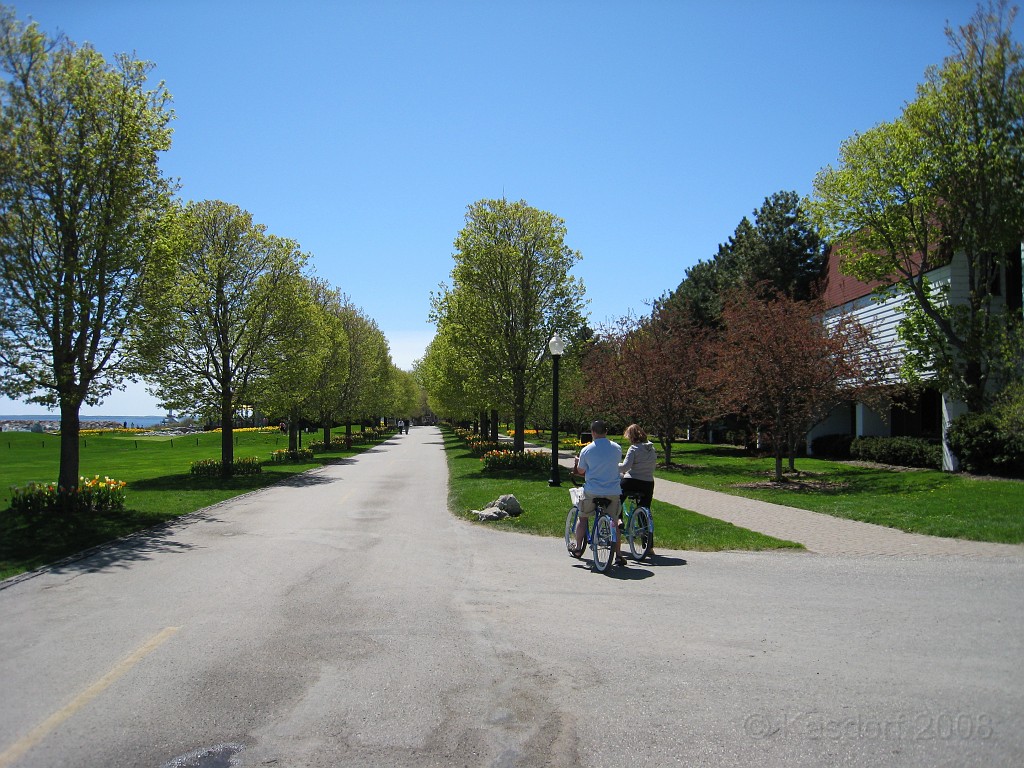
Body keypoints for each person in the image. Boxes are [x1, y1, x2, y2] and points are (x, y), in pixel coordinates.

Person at [570, 419, 625, 566]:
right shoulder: (617, 448)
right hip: (613, 490)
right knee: (614, 521)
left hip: (592, 490)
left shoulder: (587, 450)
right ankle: (618, 555)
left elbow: (581, 470)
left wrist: (577, 461)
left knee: (582, 518)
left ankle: (577, 548)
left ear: (593, 432)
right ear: (606, 432)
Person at [619, 423, 657, 556]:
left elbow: (625, 467)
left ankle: (619, 520)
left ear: (632, 437)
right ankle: (649, 546)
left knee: (616, 497)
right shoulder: (652, 448)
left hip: (632, 481)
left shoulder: (634, 448)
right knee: (644, 510)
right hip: (647, 483)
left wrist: (613, 465)